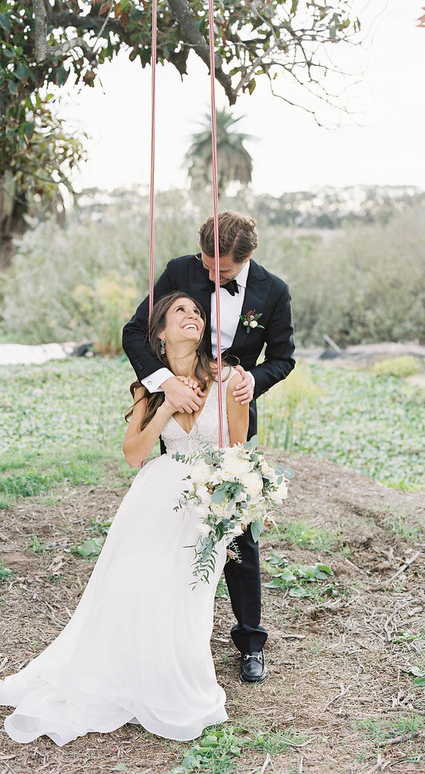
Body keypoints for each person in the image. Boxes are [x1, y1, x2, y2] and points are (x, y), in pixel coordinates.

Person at [0, 292, 249, 745]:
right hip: (155, 497)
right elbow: (133, 455)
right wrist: (166, 403)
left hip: (204, 500)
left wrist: (234, 507)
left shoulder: (229, 379)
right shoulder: (147, 387)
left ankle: (174, 685)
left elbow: (238, 448)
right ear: (161, 334)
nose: (193, 317)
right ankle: (127, 677)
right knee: (135, 585)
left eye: (198, 313)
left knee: (188, 594)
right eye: (180, 311)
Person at [123, 211, 295, 684]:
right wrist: (164, 385)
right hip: (179, 411)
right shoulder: (181, 270)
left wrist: (252, 381)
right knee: (174, 527)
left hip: (230, 409)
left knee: (239, 535)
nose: (210, 275)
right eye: (207, 264)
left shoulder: (273, 292)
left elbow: (283, 358)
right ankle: (167, 633)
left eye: (222, 272)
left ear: (247, 259)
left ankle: (250, 640)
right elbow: (135, 330)